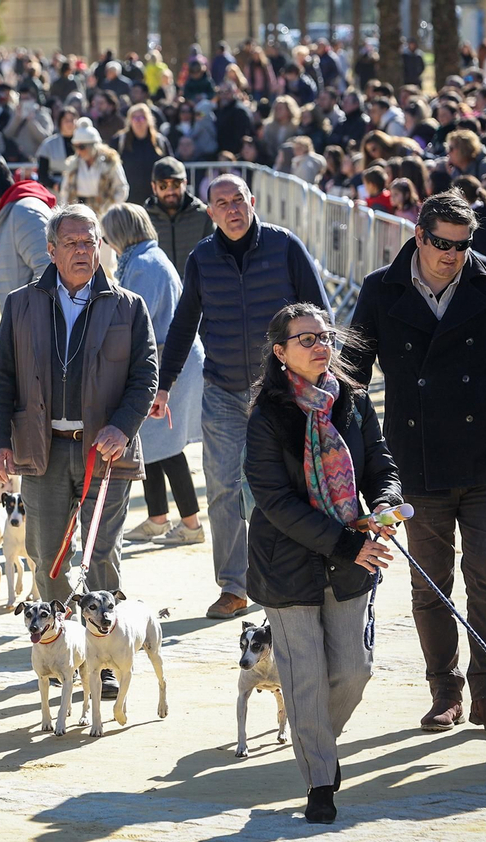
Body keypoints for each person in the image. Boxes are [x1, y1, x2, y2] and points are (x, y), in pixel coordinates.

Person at [346, 190, 486, 734]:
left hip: (485, 460)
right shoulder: (380, 289)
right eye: (440, 243)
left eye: (461, 244)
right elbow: (354, 380)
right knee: (430, 584)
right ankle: (444, 692)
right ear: (418, 235)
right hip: (415, 462)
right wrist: (363, 455)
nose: (451, 254)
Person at [0, 204, 158, 699]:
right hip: (42, 450)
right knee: (46, 558)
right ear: (52, 250)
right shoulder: (20, 305)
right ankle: (64, 652)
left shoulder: (128, 306)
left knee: (101, 554)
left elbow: (146, 376)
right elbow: (0, 382)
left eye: (91, 241)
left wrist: (122, 428)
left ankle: (104, 659)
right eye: (73, 243)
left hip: (104, 454)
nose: (84, 251)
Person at [246, 302, 401, 824]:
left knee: (354, 671)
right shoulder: (268, 414)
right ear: (281, 353)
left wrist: (384, 503)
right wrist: (345, 542)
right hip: (287, 562)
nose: (319, 347)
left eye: (324, 337)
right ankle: (320, 783)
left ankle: (318, 749)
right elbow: (274, 500)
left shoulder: (351, 400)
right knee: (305, 678)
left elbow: (380, 462)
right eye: (306, 339)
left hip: (350, 557)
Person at [159, 173, 329, 620]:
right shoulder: (201, 258)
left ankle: (298, 575)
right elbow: (183, 325)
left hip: (282, 393)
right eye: (222, 203)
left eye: (239, 200)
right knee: (223, 488)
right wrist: (164, 384)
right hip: (222, 392)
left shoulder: (284, 246)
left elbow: (318, 313)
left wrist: (322, 373)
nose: (232, 210)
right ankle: (234, 587)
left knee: (296, 485)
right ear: (210, 211)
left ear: (252, 202)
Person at [105, 204, 204, 547]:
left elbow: (134, 321)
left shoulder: (144, 265)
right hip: (169, 359)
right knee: (151, 440)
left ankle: (190, 523)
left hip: (169, 364)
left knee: (166, 442)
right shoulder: (146, 258)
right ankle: (158, 516)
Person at [0, 157, 54, 305]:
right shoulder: (13, 213)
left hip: (35, 324)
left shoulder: (24, 212)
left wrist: (26, 318)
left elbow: (49, 270)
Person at [143, 157, 213, 271]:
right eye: (163, 186)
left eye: (175, 184)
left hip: (196, 286)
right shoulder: (143, 219)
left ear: (185, 183)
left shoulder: (203, 215)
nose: (170, 191)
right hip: (157, 287)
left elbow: (214, 255)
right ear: (154, 187)